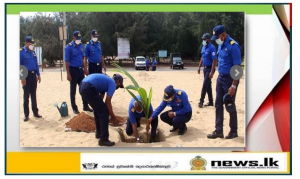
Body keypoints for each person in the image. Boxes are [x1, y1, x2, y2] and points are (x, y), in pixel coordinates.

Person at [207, 25, 242, 139]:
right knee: (218, 105)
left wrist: (233, 85)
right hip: (220, 78)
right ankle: (219, 131)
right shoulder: (220, 45)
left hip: (230, 80)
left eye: (217, 37)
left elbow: (237, 67)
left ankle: (233, 131)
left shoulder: (233, 46)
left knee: (229, 104)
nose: (216, 40)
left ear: (223, 35)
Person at [79, 73, 124, 146]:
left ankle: (99, 133)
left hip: (82, 86)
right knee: (104, 112)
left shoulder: (106, 81)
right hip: (88, 88)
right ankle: (104, 139)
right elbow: (107, 102)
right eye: (119, 85)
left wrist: (101, 108)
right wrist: (113, 117)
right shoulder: (112, 83)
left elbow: (101, 98)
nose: (118, 87)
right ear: (117, 81)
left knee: (98, 109)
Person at [65, 30, 93, 114]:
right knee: (73, 90)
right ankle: (74, 108)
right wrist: (68, 73)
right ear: (73, 38)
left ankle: (85, 106)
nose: (79, 40)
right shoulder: (68, 47)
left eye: (80, 38)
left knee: (83, 89)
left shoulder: (81, 46)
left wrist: (85, 68)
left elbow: (82, 58)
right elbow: (66, 61)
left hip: (80, 70)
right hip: (72, 70)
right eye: (77, 38)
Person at [20, 36, 42, 121]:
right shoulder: (21, 53)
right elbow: (20, 66)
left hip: (33, 76)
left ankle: (35, 112)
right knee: (26, 96)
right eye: (31, 44)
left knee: (34, 95)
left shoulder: (33, 52)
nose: (32, 45)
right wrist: (22, 78)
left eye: (33, 44)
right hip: (26, 75)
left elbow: (36, 64)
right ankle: (26, 115)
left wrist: (38, 74)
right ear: (26, 43)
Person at [197, 33, 217, 108]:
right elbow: (202, 58)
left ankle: (201, 101)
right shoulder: (203, 47)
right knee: (208, 85)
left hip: (210, 68)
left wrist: (212, 72)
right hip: (204, 69)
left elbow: (214, 60)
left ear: (208, 39)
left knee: (205, 84)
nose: (203, 40)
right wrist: (199, 67)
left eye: (204, 39)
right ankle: (211, 102)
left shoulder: (212, 48)